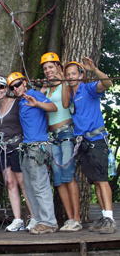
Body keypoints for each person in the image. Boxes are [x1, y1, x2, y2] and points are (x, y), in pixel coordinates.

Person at [61, 57, 116, 234]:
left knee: (102, 180)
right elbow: (63, 104)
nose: (70, 77)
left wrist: (94, 69)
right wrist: (63, 81)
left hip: (96, 139)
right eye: (67, 74)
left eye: (73, 74)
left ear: (81, 75)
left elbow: (107, 83)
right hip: (83, 142)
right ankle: (104, 216)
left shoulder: (89, 88)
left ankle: (109, 218)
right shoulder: (70, 94)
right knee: (95, 181)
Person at [7, 72, 58, 235]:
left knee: (40, 185)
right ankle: (41, 221)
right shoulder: (22, 101)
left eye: (18, 84)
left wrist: (38, 103)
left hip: (38, 146)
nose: (16, 88)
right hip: (27, 148)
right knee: (29, 187)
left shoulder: (33, 95)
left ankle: (49, 222)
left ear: (24, 83)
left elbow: (53, 107)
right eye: (12, 87)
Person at [40, 52, 82, 232]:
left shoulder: (63, 84)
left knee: (68, 174)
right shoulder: (47, 89)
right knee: (58, 179)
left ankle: (77, 218)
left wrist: (63, 79)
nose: (48, 71)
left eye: (51, 67)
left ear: (58, 66)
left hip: (65, 132)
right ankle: (68, 218)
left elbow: (65, 104)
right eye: (45, 68)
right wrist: (42, 90)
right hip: (52, 136)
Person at [0, 76, 36, 232]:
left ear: (6, 88)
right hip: (3, 149)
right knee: (10, 183)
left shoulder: (17, 103)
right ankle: (17, 220)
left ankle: (35, 218)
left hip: (18, 146)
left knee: (23, 182)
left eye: (1, 87)